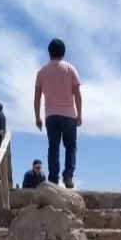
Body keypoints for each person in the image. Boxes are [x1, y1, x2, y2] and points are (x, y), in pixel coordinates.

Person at [34, 38, 82, 188]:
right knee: (70, 146)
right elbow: (77, 94)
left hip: (51, 115)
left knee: (53, 147)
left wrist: (37, 117)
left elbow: (36, 97)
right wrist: (79, 114)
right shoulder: (70, 69)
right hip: (69, 115)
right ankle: (68, 175)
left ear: (49, 53)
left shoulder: (42, 72)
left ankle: (53, 179)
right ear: (63, 53)